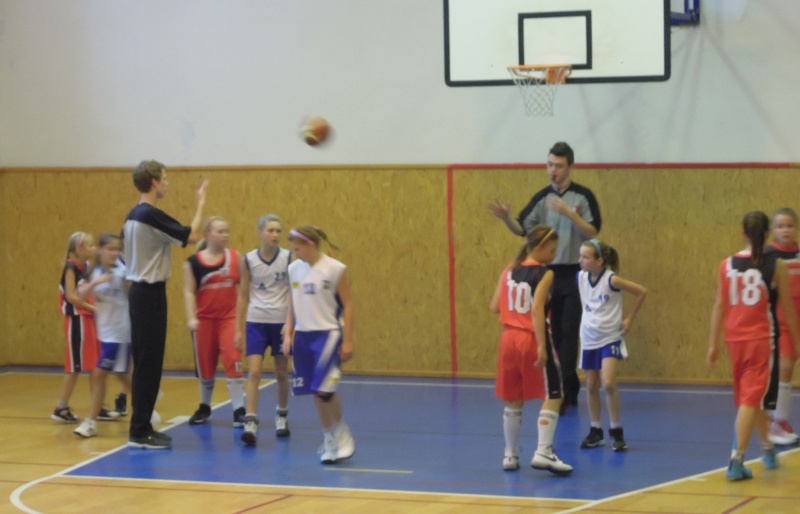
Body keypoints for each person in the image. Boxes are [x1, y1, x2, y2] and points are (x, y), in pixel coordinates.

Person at [488, 142, 601, 413]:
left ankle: (568, 390)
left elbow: (593, 231)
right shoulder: (542, 198)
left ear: (570, 167)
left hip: (573, 272)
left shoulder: (583, 196)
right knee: (551, 331)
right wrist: (506, 219)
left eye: (558, 166)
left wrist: (569, 214)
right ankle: (554, 388)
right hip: (545, 274)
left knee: (569, 332)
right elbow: (522, 228)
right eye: (549, 165)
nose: (553, 171)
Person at [707, 211, 800, 480]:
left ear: (742, 233)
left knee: (754, 395)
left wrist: (712, 344)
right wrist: (796, 340)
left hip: (734, 340)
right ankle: (736, 461)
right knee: (751, 399)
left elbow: (719, 306)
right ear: (768, 234)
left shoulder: (726, 265)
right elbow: (788, 309)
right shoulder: (776, 265)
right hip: (761, 339)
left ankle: (768, 449)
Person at [123, 160, 208, 449]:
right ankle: (139, 430)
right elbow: (192, 236)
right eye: (165, 178)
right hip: (148, 294)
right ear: (154, 181)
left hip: (140, 293)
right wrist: (201, 204)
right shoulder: (149, 214)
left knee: (146, 362)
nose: (167, 183)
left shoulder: (133, 214)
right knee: (149, 364)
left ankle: (142, 425)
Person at [490, 225, 572, 475]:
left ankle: (510, 454)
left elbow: (494, 306)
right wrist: (542, 346)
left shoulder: (509, 269)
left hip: (508, 338)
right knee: (555, 392)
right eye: (552, 250)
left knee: (514, 397)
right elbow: (537, 309)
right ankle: (543, 451)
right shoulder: (544, 274)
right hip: (530, 337)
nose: (554, 255)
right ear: (539, 248)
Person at [281, 226, 355, 464]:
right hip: (303, 336)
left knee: (325, 391)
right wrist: (288, 333)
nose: (295, 253)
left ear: (310, 245)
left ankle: (342, 432)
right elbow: (292, 303)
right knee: (316, 391)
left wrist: (348, 339)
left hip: (327, 335)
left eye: (297, 249)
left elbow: (348, 304)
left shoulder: (335, 268)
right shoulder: (294, 269)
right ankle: (329, 438)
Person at [576, 239, 647, 451]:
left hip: (609, 337)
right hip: (589, 337)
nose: (580, 260)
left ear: (599, 261)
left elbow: (641, 292)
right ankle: (595, 430)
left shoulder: (611, 280)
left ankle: (616, 430)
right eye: (580, 256)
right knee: (591, 385)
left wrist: (630, 319)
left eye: (585, 257)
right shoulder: (580, 277)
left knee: (607, 383)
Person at [182, 216, 246, 428]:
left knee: (233, 359)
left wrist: (241, 321)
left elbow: (244, 291)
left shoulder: (236, 258)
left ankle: (239, 410)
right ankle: (204, 406)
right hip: (204, 321)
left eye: (227, 231)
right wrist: (191, 317)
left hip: (229, 318)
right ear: (207, 234)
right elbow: (188, 291)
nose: (225, 235)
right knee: (206, 366)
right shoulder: (193, 263)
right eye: (220, 231)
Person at [235, 214, 292, 446]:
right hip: (256, 321)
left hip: (280, 322)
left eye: (278, 231)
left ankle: (282, 415)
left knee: (281, 372)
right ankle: (250, 420)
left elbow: (294, 292)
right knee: (254, 372)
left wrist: (290, 325)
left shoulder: (288, 258)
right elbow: (243, 295)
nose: (275, 235)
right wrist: (238, 329)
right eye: (270, 230)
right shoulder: (248, 259)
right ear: (260, 232)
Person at [74, 233, 132, 438]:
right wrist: (94, 283)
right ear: (100, 250)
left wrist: (127, 285)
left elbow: (132, 295)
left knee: (99, 374)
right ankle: (147, 405)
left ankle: (91, 422)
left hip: (120, 332)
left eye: (117, 249)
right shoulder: (94, 271)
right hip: (105, 332)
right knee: (121, 374)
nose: (114, 253)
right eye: (110, 248)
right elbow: (78, 297)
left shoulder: (123, 271)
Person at [53, 232, 100, 424]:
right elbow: (71, 297)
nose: (93, 248)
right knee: (74, 368)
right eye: (90, 245)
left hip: (88, 319)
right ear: (79, 249)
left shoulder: (87, 266)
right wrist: (92, 308)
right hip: (76, 319)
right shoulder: (71, 267)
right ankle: (60, 407)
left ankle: (98, 406)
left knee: (95, 365)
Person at [765, 207, 800, 445]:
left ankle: (779, 421)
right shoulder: (769, 255)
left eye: (789, 226)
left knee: (790, 366)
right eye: (780, 226)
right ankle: (777, 421)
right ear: (773, 230)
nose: (785, 230)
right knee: (784, 367)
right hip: (782, 319)